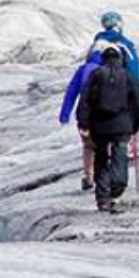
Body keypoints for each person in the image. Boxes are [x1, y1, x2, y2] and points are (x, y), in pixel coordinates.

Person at [81, 43, 139, 213]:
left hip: (99, 126)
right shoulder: (128, 76)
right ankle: (117, 189)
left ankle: (103, 198)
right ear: (120, 58)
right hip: (121, 125)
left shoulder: (95, 75)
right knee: (120, 156)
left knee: (101, 158)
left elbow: (85, 101)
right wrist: (135, 125)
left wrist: (83, 123)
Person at [58, 47, 105, 190]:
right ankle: (104, 175)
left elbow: (71, 92)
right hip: (104, 114)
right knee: (105, 144)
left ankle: (88, 176)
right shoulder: (109, 70)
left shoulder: (83, 69)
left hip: (84, 115)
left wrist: (65, 114)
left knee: (88, 145)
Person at [91, 11, 139, 82]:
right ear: (118, 24)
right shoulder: (125, 44)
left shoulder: (97, 44)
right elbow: (133, 67)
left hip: (100, 85)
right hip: (121, 85)